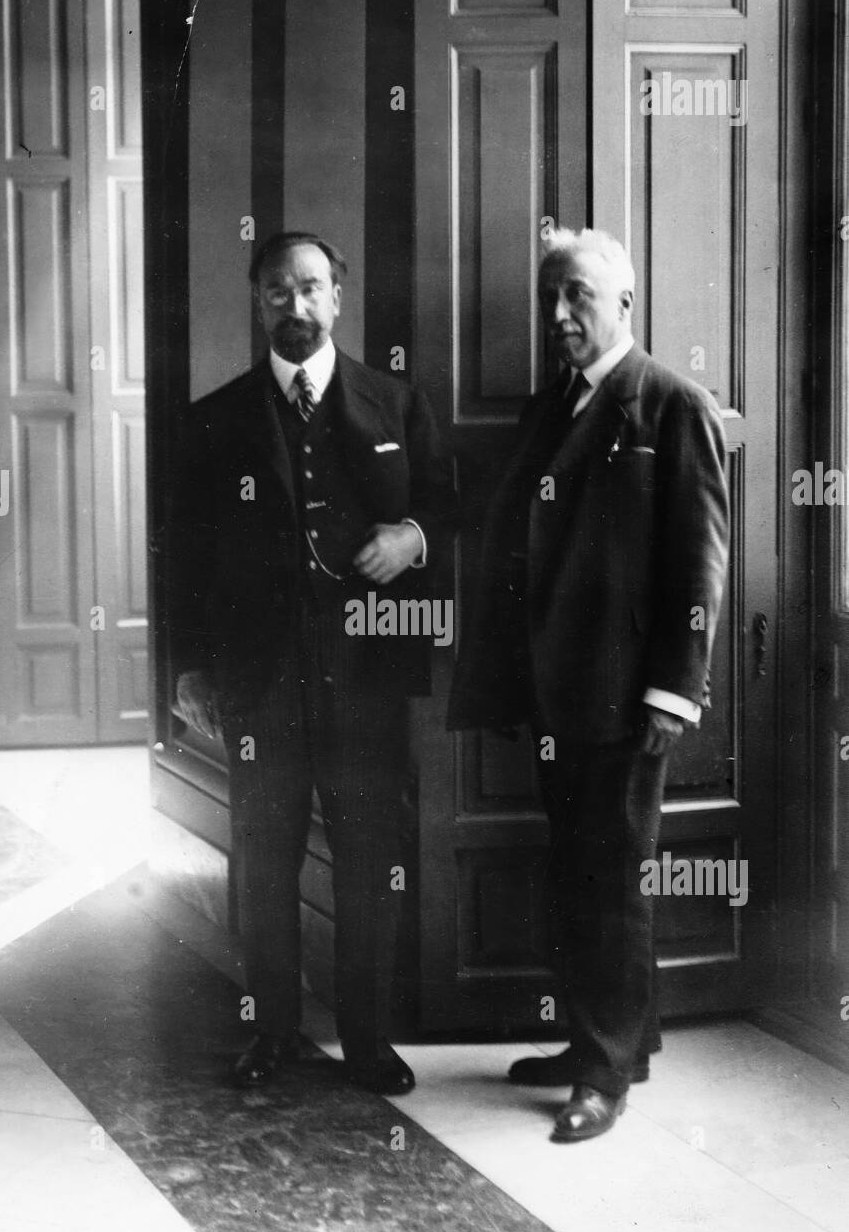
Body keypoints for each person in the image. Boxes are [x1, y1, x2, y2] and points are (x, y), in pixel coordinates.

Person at [448, 228, 729, 1141]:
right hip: (554, 696)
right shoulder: (552, 407)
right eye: (549, 301)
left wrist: (671, 691)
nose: (559, 317)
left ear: (623, 305)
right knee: (579, 869)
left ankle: (603, 1074)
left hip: (623, 697)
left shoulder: (670, 404)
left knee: (611, 878)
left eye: (575, 297)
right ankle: (604, 1041)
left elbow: (701, 561)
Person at [172, 231, 455, 1095]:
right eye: (275, 293)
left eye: (309, 290)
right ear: (257, 304)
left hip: (367, 682)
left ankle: (367, 1042)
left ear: (338, 296)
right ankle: (273, 1032)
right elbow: (182, 557)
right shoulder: (214, 419)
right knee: (261, 860)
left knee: (371, 857)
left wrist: (409, 540)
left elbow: (449, 514)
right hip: (261, 685)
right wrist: (189, 674)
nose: (294, 308)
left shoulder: (395, 404)